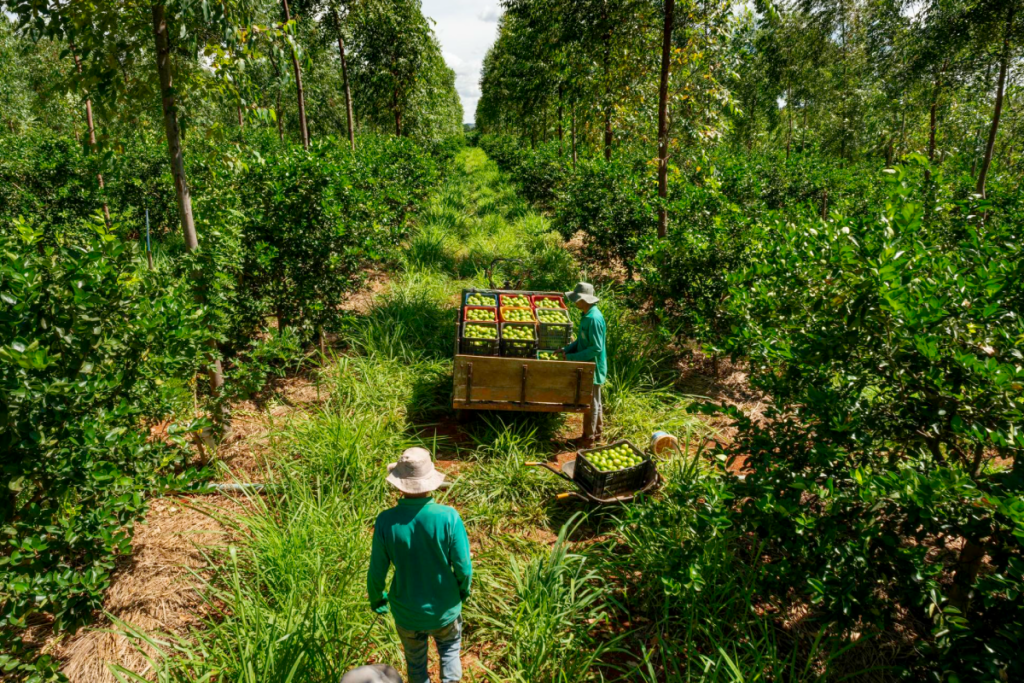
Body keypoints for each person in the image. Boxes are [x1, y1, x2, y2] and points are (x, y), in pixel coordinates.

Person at [367, 447, 472, 683]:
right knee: (450, 651)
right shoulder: (448, 516)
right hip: (445, 609)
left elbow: (377, 570)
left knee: (415, 665)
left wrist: (377, 597)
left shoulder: (386, 520)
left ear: (399, 484)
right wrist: (462, 591)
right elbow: (464, 567)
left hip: (407, 613)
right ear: (431, 482)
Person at [562, 282, 607, 447]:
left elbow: (596, 348)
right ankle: (596, 434)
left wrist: (572, 358)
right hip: (588, 364)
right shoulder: (586, 315)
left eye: (576, 299)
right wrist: (566, 350)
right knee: (595, 401)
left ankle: (589, 439)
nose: (574, 302)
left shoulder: (594, 319)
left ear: (584, 299)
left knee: (591, 403)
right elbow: (582, 341)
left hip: (593, 367)